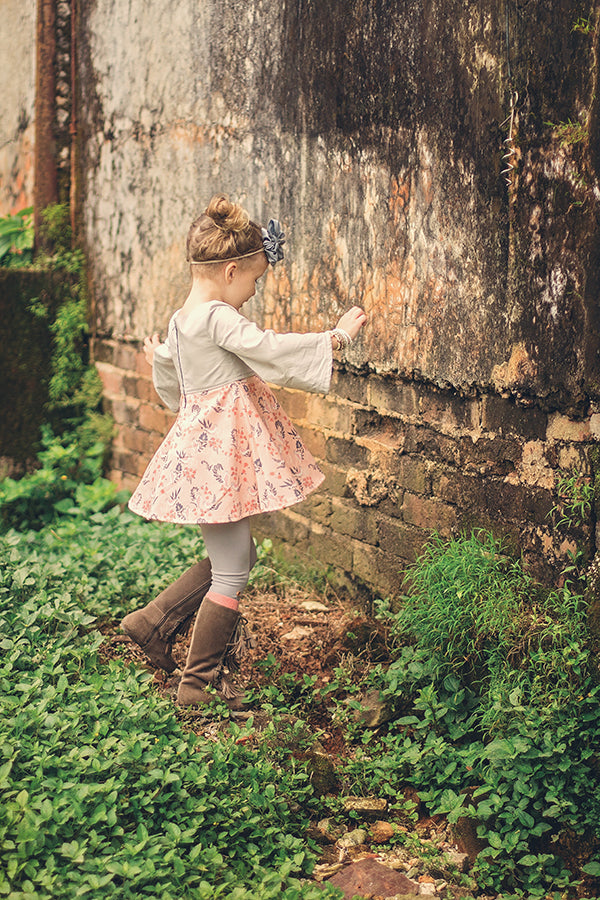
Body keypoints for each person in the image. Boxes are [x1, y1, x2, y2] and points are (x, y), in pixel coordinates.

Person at [122, 194, 367, 710]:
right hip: (221, 456)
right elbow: (269, 349)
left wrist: (160, 360)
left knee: (237, 555)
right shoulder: (217, 317)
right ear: (230, 270)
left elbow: (172, 377)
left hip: (204, 451)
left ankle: (151, 624)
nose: (252, 294)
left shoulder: (180, 319)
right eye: (253, 281)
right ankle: (199, 685)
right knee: (233, 570)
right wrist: (336, 339)